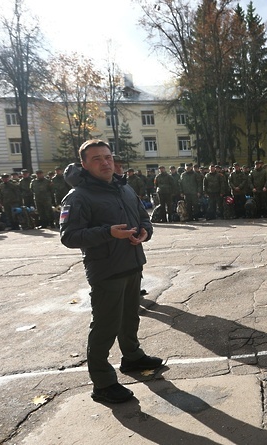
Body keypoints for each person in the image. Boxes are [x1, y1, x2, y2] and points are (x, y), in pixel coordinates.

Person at [60, 139, 162, 404]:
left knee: (130, 318)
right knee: (105, 327)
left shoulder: (124, 186)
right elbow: (69, 236)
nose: (105, 163)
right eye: (96, 159)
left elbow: (144, 217)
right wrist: (107, 233)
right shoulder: (79, 196)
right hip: (106, 269)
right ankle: (103, 384)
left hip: (132, 263)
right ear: (84, 164)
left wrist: (144, 232)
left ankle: (132, 357)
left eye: (107, 157)